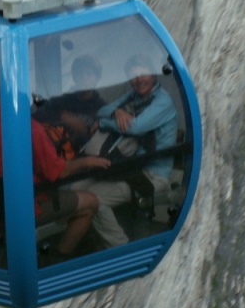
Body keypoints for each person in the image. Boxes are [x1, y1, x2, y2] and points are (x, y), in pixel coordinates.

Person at [0, 75, 110, 260]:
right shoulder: (29, 127)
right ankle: (58, 260)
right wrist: (88, 161)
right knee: (90, 202)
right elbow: (60, 172)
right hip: (20, 208)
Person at [71, 53, 178, 248]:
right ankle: (89, 238)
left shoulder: (163, 102)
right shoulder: (133, 97)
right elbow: (101, 111)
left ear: (154, 75)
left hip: (152, 175)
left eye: (143, 74)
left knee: (94, 200)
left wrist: (104, 122)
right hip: (127, 166)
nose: (139, 80)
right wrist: (115, 112)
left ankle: (121, 248)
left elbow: (134, 127)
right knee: (74, 189)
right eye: (134, 77)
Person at [34, 54, 106, 154]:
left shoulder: (103, 107)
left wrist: (83, 130)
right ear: (74, 77)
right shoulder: (60, 101)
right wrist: (62, 117)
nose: (83, 78)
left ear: (97, 78)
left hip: (85, 158)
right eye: (79, 73)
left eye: (88, 74)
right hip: (55, 155)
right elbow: (35, 117)